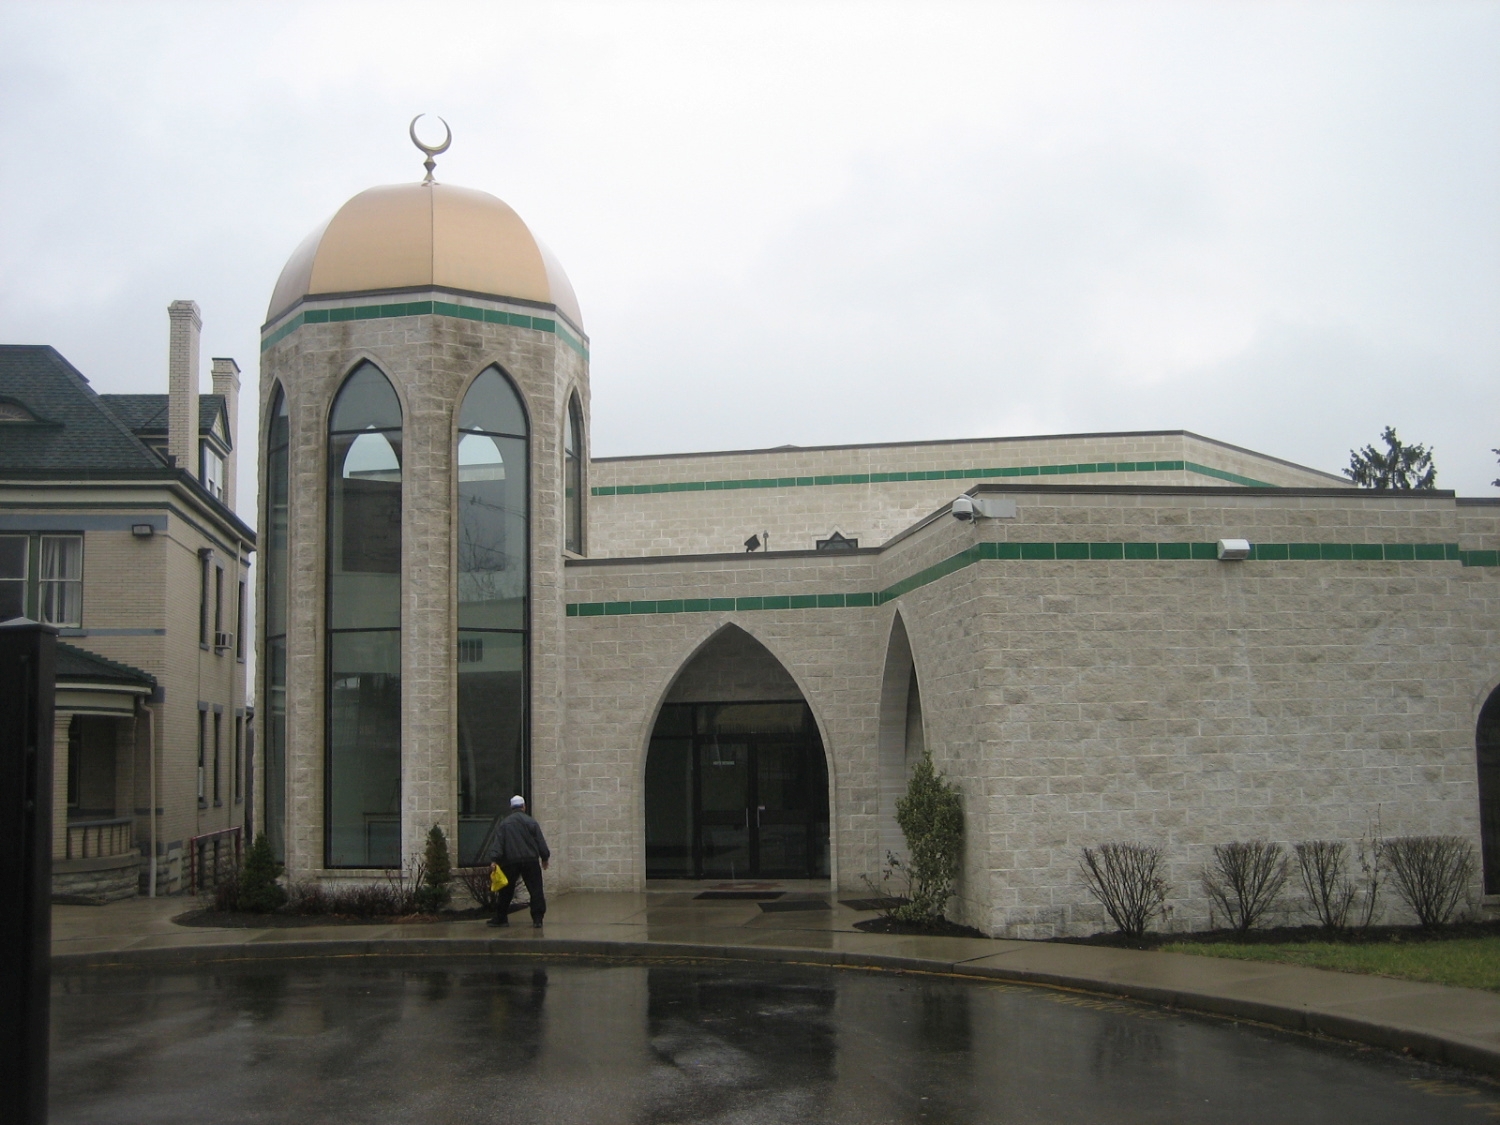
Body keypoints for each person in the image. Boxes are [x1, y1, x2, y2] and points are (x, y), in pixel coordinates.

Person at [487, 795, 549, 928]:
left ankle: (501, 918)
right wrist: (545, 858)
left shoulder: (504, 824)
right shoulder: (532, 822)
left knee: (506, 891)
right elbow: (540, 842)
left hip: (510, 861)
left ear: (511, 808)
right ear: (524, 807)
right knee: (536, 890)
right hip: (530, 861)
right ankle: (537, 919)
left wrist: (494, 860)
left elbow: (498, 843)